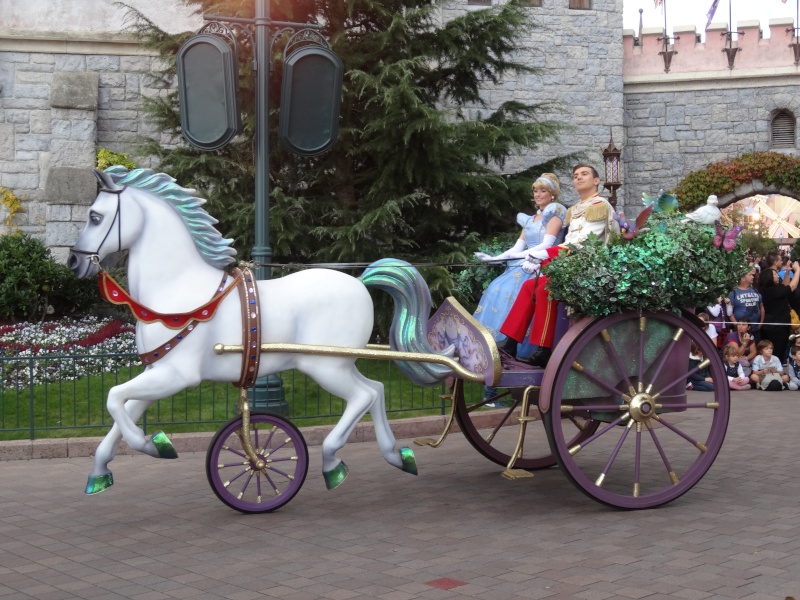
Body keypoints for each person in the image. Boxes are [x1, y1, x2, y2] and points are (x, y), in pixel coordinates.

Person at [497, 163, 619, 366]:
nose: (578, 177)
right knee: (529, 285)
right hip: (572, 264)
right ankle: (510, 342)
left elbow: (583, 243)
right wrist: (543, 259)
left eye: (584, 174)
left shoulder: (599, 206)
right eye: (575, 175)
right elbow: (568, 243)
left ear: (596, 181)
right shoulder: (575, 209)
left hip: (592, 267)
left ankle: (543, 349)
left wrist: (545, 254)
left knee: (547, 287)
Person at [473, 174, 566, 341]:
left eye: (542, 191)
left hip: (543, 263)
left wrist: (521, 256)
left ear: (552, 193)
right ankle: (491, 341)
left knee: (512, 292)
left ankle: (512, 342)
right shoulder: (529, 220)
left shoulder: (555, 214)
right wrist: (493, 259)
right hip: (525, 263)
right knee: (496, 288)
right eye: (535, 191)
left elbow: (546, 245)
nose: (537, 194)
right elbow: (517, 247)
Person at [758, 264, 800, 363]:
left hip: (772, 326)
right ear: (769, 278)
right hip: (777, 328)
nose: (777, 276)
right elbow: (792, 286)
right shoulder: (773, 291)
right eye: (775, 274)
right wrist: (798, 270)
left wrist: (788, 272)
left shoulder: (767, 290)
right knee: (777, 352)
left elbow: (785, 286)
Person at [728, 268, 763, 343]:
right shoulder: (733, 293)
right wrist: (736, 325)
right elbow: (730, 312)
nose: (753, 277)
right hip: (740, 331)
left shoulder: (756, 291)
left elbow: (762, 307)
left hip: (755, 330)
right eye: (750, 275)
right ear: (743, 278)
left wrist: (761, 322)